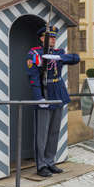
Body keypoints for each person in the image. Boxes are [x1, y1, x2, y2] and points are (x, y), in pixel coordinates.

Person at [26, 26, 80, 177]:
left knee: (54, 131)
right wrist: (39, 98)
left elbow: (76, 58)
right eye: (50, 37)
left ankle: (50, 161)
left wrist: (58, 58)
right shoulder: (34, 53)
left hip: (58, 95)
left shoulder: (59, 53)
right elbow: (33, 77)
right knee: (42, 133)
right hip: (44, 93)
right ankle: (41, 165)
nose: (53, 40)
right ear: (42, 38)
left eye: (55, 37)